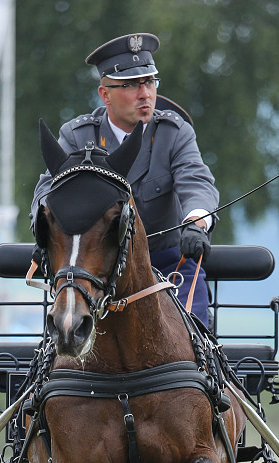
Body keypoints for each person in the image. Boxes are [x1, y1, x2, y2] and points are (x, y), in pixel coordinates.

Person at [31, 33, 218, 326]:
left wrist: (196, 223)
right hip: (94, 270)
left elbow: (196, 181)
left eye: (150, 82)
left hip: (168, 265)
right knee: (61, 350)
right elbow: (48, 190)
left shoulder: (174, 133)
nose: (145, 94)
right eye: (131, 85)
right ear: (105, 94)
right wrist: (43, 227)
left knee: (194, 351)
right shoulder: (79, 136)